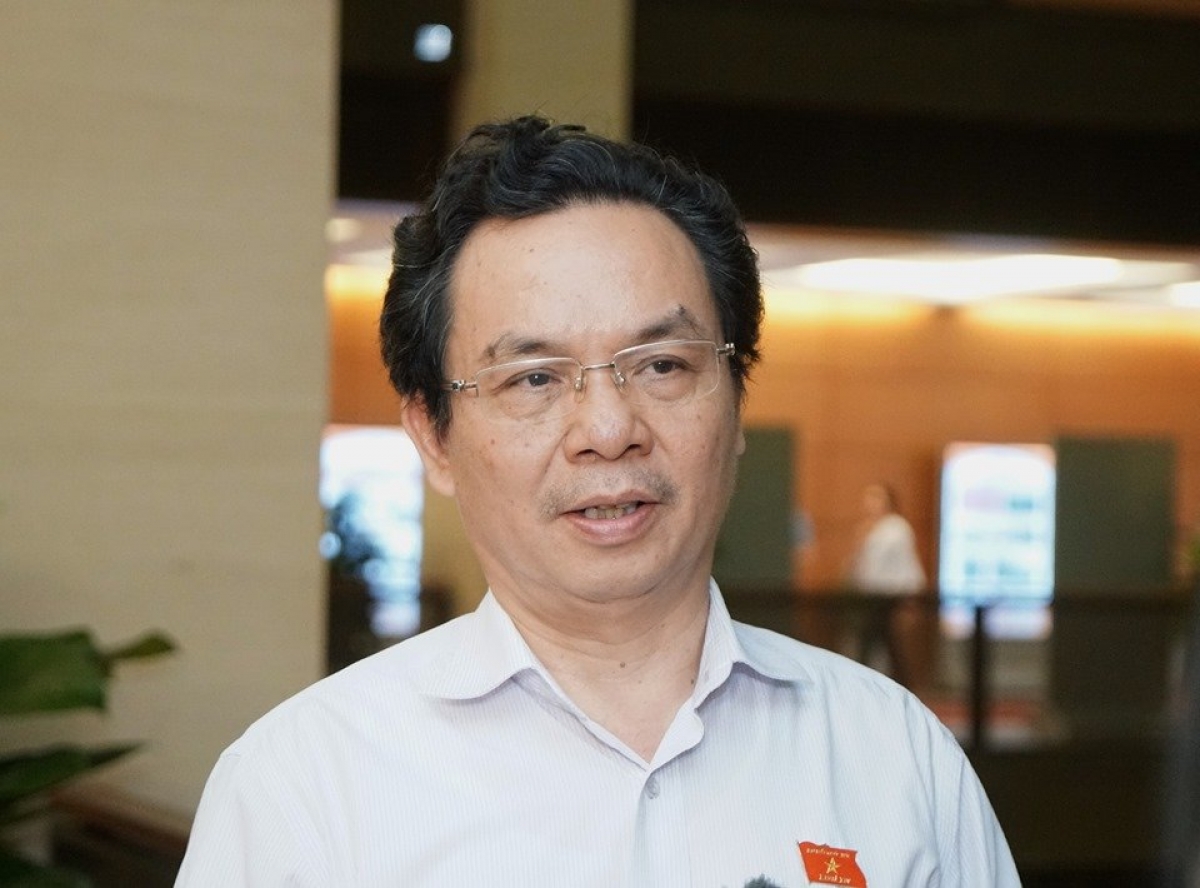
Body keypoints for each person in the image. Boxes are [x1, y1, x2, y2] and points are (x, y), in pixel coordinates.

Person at [175, 117, 1019, 887]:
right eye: (534, 378)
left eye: (662, 365)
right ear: (434, 436)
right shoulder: (304, 790)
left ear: (737, 403)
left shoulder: (894, 757)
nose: (609, 430)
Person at [844, 482, 928, 686]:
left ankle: (866, 683)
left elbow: (905, 564)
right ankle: (889, 683)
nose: (870, 503)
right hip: (871, 595)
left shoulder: (896, 528)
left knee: (874, 641)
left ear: (888, 502)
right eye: (868, 497)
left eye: (876, 497)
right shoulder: (870, 528)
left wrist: (910, 598)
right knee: (884, 642)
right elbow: (860, 566)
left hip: (889, 595)